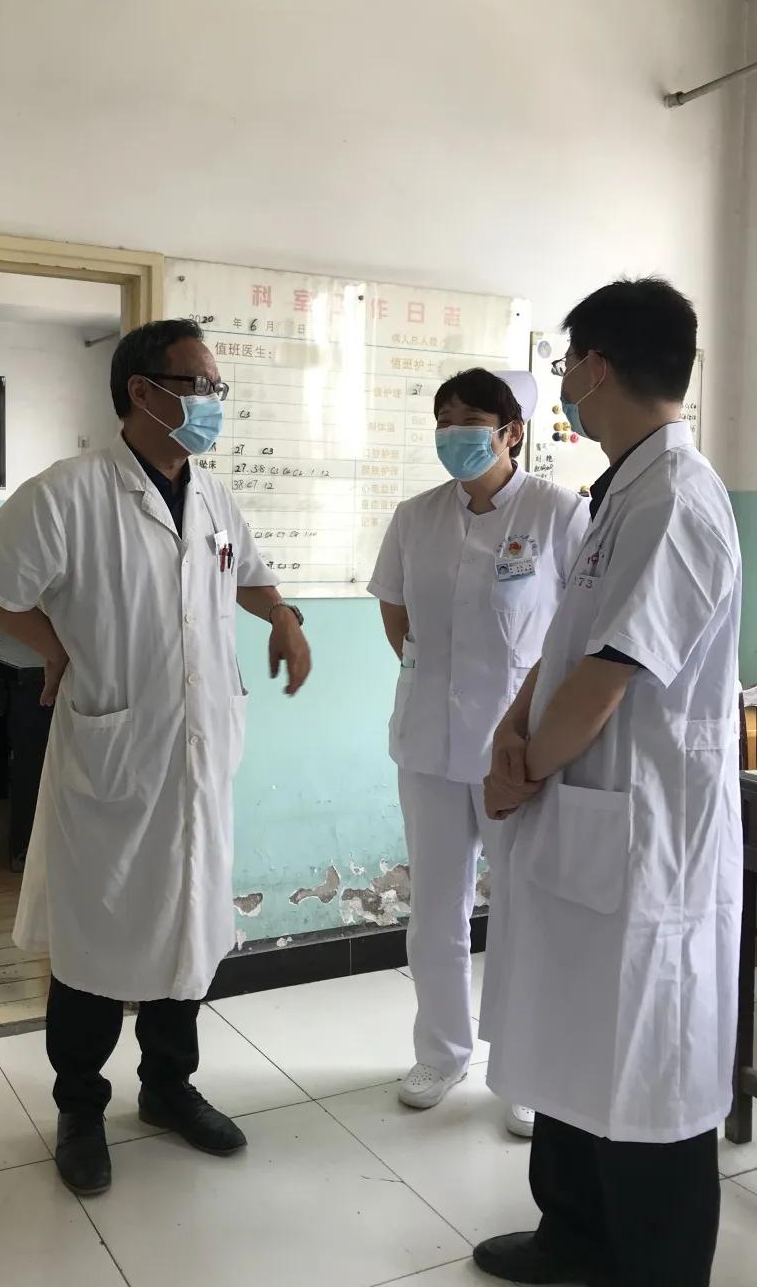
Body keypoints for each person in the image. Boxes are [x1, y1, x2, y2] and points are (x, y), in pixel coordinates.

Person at [0, 317, 312, 1196]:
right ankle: (80, 1106)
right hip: (116, 749)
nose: (213, 401)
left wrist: (285, 618)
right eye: (199, 385)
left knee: (187, 922)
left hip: (199, 754)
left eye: (217, 387)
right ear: (142, 392)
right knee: (96, 930)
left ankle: (168, 1088)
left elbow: (247, 573)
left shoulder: (213, 495)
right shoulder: (71, 490)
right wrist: (57, 648)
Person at [474, 279, 741, 1287]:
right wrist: (513, 728)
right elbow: (568, 645)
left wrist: (523, 771)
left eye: (565, 365)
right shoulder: (622, 489)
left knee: (646, 1069)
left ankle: (651, 1267)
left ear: (594, 367)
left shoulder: (676, 499)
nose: (563, 384)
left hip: (643, 838)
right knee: (576, 1040)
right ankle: (574, 1235)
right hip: (586, 816)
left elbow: (611, 674)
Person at [369, 368, 588, 1136]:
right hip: (427, 741)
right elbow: (395, 607)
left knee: (525, 908)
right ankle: (442, 1053)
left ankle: (525, 1067)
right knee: (435, 909)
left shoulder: (558, 512)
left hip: (516, 747)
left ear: (510, 432)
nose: (452, 433)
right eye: (443, 420)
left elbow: (580, 623)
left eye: (469, 419)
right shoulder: (416, 516)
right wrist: (431, 670)